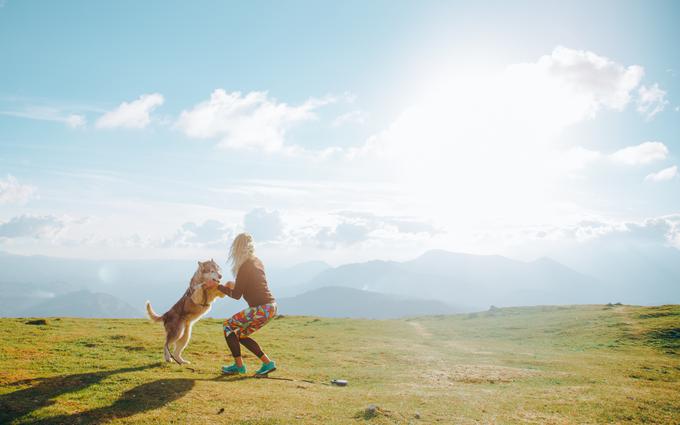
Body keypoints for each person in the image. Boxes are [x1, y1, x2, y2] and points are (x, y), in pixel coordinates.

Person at [204, 233, 278, 376]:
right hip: (270, 307)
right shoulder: (257, 261)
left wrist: (216, 285)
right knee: (240, 335)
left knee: (228, 326)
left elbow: (236, 295)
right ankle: (268, 363)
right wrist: (233, 285)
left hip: (261, 308)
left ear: (237, 249)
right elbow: (251, 285)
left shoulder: (245, 266)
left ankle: (239, 367)